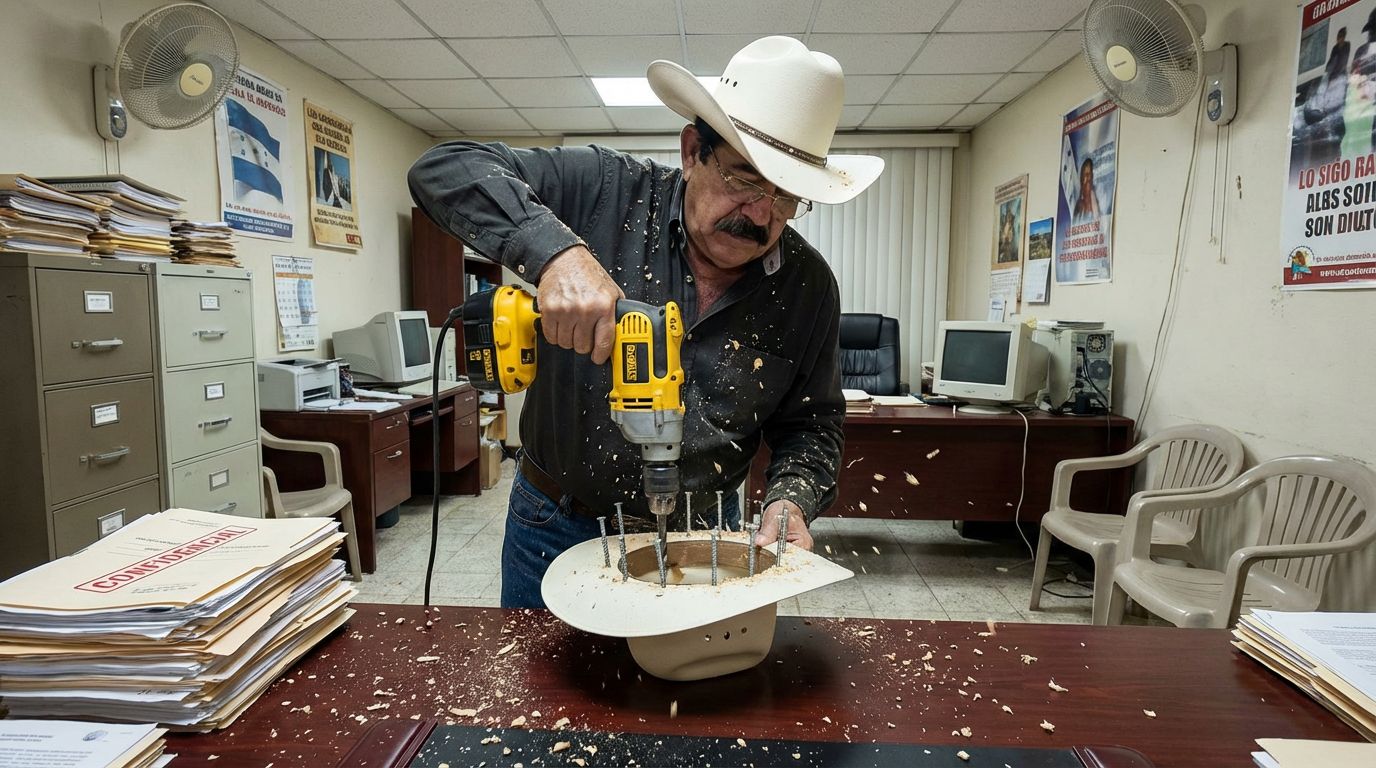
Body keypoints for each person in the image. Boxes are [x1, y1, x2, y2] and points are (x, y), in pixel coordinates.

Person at [408, 36, 883, 609]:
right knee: (542, 692)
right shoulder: (604, 192)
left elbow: (813, 424)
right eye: (743, 179)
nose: (760, 213)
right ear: (691, 151)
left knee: (695, 690)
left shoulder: (807, 287)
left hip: (705, 531)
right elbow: (443, 169)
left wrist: (791, 497)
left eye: (784, 198)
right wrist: (555, 253)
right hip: (555, 522)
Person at [1072, 157, 1101, 225]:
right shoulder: (1078, 204)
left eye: (1087, 175)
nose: (1085, 180)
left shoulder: (1096, 200)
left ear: (1092, 176)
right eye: (1083, 176)